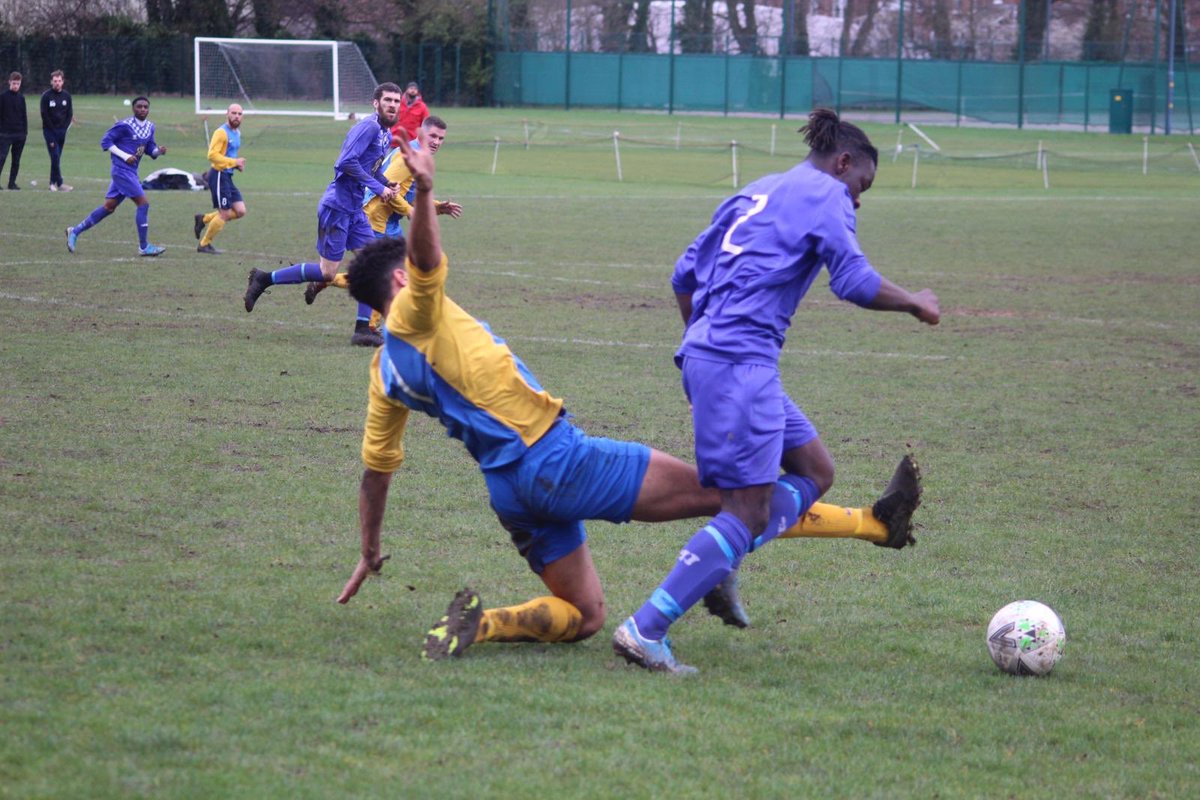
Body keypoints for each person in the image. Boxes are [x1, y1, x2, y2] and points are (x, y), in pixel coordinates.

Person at [334, 132, 923, 665]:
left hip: (510, 492)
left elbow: (377, 471)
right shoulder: (417, 309)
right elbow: (427, 261)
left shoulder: (384, 371)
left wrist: (369, 550)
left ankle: (482, 624)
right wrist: (426, 190)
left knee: (584, 615)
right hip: (559, 461)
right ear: (400, 280)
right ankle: (867, 527)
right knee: (739, 502)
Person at [612, 108, 941, 674]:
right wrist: (915, 301)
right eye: (861, 187)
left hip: (718, 358)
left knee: (815, 470)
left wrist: (700, 351)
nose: (857, 201)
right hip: (739, 364)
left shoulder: (756, 191)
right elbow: (853, 281)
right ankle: (646, 629)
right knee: (745, 511)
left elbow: (683, 275)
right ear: (843, 163)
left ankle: (723, 559)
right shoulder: (827, 193)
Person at [243, 82, 403, 347]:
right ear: (376, 103)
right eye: (388, 100)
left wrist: (386, 183)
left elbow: (370, 168)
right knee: (327, 273)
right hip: (337, 207)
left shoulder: (386, 132)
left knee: (373, 264)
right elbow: (345, 162)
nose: (393, 105)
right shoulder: (370, 127)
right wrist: (378, 189)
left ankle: (363, 329)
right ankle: (264, 278)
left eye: (396, 101)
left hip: (354, 209)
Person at [301, 115, 463, 311]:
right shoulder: (409, 156)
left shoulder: (417, 155)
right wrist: (410, 211)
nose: (436, 142)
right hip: (376, 218)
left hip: (390, 222)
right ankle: (368, 321)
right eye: (433, 136)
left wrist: (435, 207)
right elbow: (387, 189)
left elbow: (407, 194)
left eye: (441, 138)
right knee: (387, 275)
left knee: (395, 273)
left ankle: (326, 282)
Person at [65, 96, 168, 257]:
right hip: (121, 170)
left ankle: (75, 231)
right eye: (139, 106)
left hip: (131, 172)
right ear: (133, 109)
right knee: (143, 204)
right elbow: (105, 142)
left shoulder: (150, 127)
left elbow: (149, 149)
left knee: (109, 207)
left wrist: (158, 151)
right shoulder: (124, 125)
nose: (142, 109)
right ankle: (144, 247)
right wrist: (125, 156)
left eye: (145, 107)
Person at [193, 103, 246, 254]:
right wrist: (234, 162)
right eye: (233, 113)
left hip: (227, 176)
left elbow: (228, 154)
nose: (236, 116)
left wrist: (236, 165)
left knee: (240, 211)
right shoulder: (221, 132)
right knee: (224, 213)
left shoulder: (237, 133)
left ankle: (204, 219)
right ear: (227, 114)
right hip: (218, 175)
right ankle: (204, 244)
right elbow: (212, 155)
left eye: (239, 114)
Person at [40, 69, 75, 191]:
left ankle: (59, 183)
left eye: (59, 81)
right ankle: (53, 183)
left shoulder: (67, 96)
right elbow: (44, 114)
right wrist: (53, 129)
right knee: (55, 156)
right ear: (51, 82)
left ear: (63, 82)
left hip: (62, 132)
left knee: (57, 157)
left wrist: (64, 128)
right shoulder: (46, 96)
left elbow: (69, 114)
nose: (57, 83)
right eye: (55, 81)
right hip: (50, 132)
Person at [0, 71, 27, 190]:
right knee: (1, 158)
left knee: (16, 161)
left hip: (19, 134)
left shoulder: (21, 98)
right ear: (9, 82)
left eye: (18, 83)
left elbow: (24, 116)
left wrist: (24, 132)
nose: (16, 86)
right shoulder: (3, 97)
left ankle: (12, 183)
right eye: (14, 83)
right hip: (5, 134)